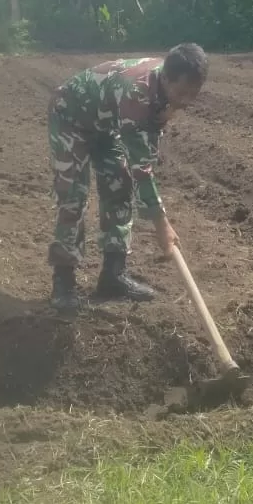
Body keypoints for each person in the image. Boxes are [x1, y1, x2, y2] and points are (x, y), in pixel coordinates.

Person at [45, 43, 208, 312]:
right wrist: (161, 224)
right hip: (71, 116)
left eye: (193, 93)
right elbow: (142, 167)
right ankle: (63, 282)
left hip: (107, 123)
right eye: (181, 92)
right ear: (166, 78)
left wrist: (166, 112)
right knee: (73, 195)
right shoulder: (138, 93)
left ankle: (113, 275)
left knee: (119, 183)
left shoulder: (167, 82)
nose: (186, 100)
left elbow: (148, 136)